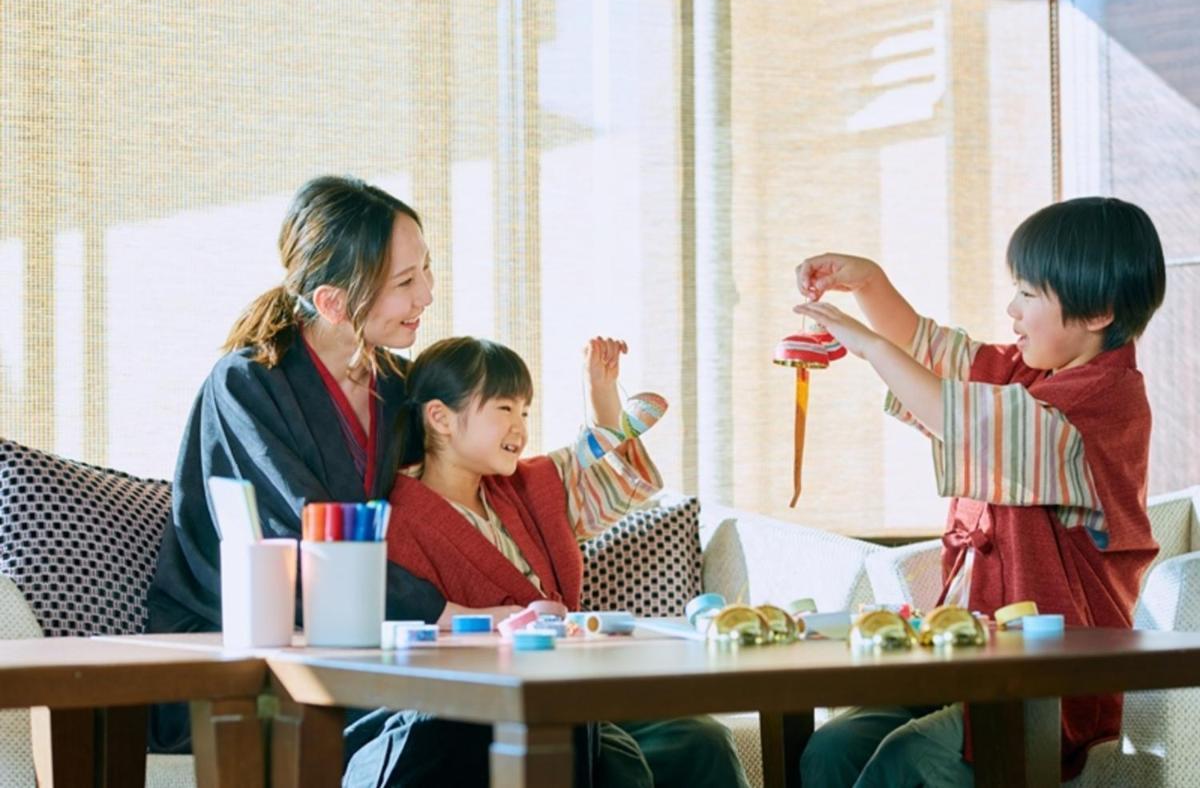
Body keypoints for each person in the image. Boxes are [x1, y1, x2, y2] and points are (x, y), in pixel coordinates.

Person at [792, 196, 1166, 786]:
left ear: (1098, 312)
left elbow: (959, 415)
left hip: (1049, 684)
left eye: (1028, 293)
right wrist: (868, 281)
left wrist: (866, 345)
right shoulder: (1030, 371)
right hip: (970, 663)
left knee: (906, 761)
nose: (1011, 309)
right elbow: (936, 355)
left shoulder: (1104, 404)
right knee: (832, 748)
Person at [342, 335, 750, 788]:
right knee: (614, 762)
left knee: (702, 739)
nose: (519, 427)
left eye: (525, 411)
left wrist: (601, 394)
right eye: (503, 409)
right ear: (440, 418)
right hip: (477, 713)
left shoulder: (527, 486)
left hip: (571, 692)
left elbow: (598, 467)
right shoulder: (398, 516)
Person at [145, 175, 444, 752]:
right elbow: (302, 533)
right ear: (333, 302)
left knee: (584, 731)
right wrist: (442, 610)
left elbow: (445, 497)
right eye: (405, 281)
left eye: (428, 269)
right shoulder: (244, 385)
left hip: (362, 641)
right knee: (448, 725)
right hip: (235, 654)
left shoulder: (400, 388)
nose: (426, 295)